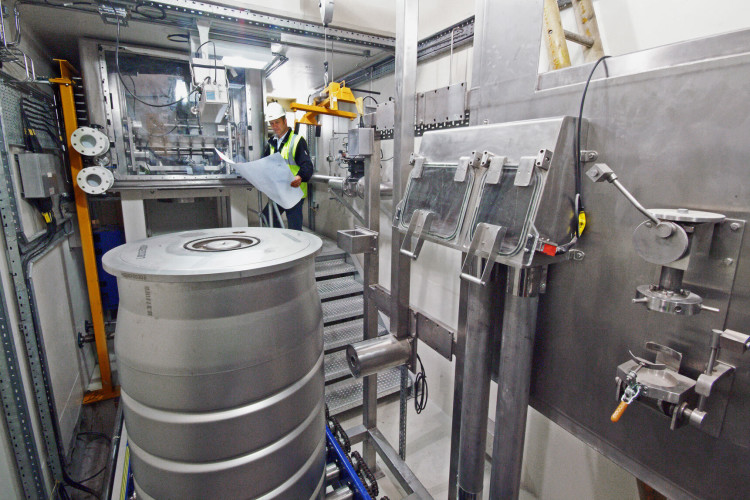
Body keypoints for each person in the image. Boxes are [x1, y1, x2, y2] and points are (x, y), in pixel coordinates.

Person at [260, 102, 314, 231]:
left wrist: (300, 176)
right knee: (267, 217)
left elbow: (307, 165)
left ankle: (298, 249)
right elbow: (263, 163)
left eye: (277, 122)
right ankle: (284, 241)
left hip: (294, 192)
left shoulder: (296, 140)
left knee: (294, 228)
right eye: (272, 123)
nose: (274, 126)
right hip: (279, 190)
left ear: (285, 121)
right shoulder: (272, 143)